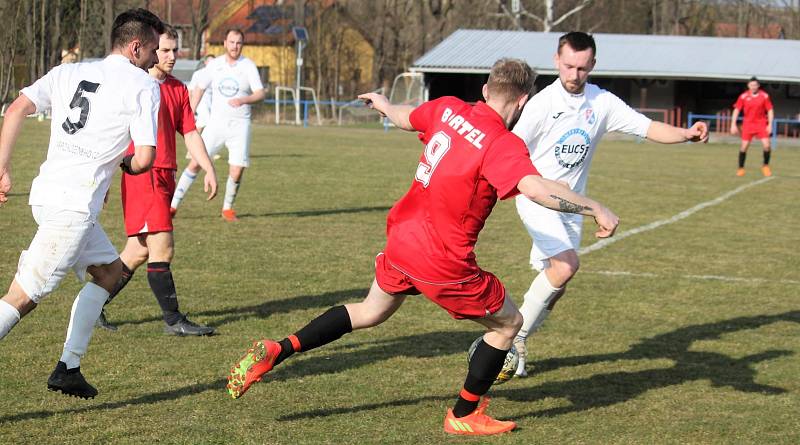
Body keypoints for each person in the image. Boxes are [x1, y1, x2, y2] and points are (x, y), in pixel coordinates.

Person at [224, 58, 620, 436]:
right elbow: (534, 189)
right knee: (509, 324)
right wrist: (595, 207)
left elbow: (402, 117)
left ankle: (280, 348)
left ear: (485, 89)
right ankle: (465, 414)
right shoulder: (502, 143)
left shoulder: (447, 108)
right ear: (522, 100)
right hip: (442, 259)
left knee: (369, 310)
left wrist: (381, 102)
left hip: (402, 239)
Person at [510, 31, 709, 378]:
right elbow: (510, 149)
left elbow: (646, 127)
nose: (574, 75)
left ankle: (516, 336)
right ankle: (514, 339)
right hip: (538, 198)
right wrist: (532, 184)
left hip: (574, 206)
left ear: (593, 65)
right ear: (556, 60)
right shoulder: (541, 104)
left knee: (557, 283)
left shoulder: (600, 102)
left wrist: (686, 135)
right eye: (569, 66)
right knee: (565, 267)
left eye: (582, 68)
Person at [0, 8, 163, 398]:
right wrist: (121, 163)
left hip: (47, 196)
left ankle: (68, 367)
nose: (157, 59)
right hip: (72, 209)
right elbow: (144, 158)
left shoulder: (68, 72)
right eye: (154, 49)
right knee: (21, 298)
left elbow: (16, 108)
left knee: (109, 273)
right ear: (136, 46)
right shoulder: (143, 86)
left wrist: (2, 168)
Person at [95, 25, 218, 335]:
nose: (171, 56)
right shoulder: (136, 86)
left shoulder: (177, 89)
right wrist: (105, 178)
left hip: (165, 177)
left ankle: (91, 305)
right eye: (164, 50)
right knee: (162, 247)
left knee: (137, 251)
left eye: (175, 50)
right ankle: (174, 321)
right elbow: (112, 134)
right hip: (143, 175)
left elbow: (189, 133)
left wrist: (208, 168)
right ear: (150, 49)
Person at [170, 29, 266, 222]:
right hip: (216, 124)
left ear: (242, 45)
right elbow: (199, 88)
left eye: (238, 43)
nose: (235, 46)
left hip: (240, 124)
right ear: (225, 43)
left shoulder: (248, 66)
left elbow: (260, 93)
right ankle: (173, 205)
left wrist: (244, 100)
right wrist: (190, 112)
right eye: (231, 42)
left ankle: (227, 209)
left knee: (237, 169)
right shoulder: (215, 65)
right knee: (196, 162)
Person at [730, 76, 774, 177]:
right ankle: (741, 168)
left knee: (767, 145)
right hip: (748, 124)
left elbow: (770, 110)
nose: (753, 87)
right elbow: (736, 110)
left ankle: (765, 166)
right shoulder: (743, 96)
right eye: (751, 85)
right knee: (744, 147)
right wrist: (733, 124)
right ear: (748, 86)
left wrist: (770, 124)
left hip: (761, 124)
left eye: (755, 85)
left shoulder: (764, 96)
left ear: (758, 86)